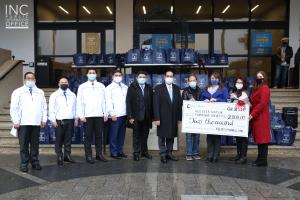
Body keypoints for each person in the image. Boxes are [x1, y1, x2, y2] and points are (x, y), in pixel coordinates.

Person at [10, 72, 47, 172]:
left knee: (35, 144)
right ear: (25, 79)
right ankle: (24, 163)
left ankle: (35, 161)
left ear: (35, 80)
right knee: (24, 145)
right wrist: (16, 121)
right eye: (28, 78)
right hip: (23, 123)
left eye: (32, 78)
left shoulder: (40, 92)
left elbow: (44, 107)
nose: (30, 80)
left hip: (36, 122)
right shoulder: (18, 91)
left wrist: (44, 119)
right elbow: (14, 108)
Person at [77, 69, 107, 164]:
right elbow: (79, 102)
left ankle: (99, 154)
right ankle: (88, 155)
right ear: (87, 75)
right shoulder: (82, 87)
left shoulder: (101, 86)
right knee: (88, 136)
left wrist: (105, 113)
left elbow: (105, 101)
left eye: (93, 73)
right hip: (88, 116)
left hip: (99, 115)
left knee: (99, 136)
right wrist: (81, 115)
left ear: (96, 74)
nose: (92, 74)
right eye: (90, 73)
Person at [153, 70, 182, 163]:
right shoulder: (158, 88)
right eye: (168, 76)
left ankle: (169, 153)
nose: (169, 78)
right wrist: (156, 118)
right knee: (162, 137)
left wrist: (179, 117)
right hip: (162, 117)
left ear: (173, 78)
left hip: (173, 117)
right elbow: (155, 104)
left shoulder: (177, 88)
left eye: (171, 76)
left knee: (171, 136)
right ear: (164, 77)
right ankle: (163, 154)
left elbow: (179, 104)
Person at [199, 72, 228, 163]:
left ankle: (216, 155)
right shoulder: (205, 89)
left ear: (219, 79)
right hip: (208, 116)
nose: (213, 79)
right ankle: (209, 155)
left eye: (216, 78)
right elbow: (200, 100)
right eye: (212, 78)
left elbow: (226, 101)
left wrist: (217, 100)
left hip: (218, 116)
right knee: (209, 137)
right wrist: (205, 100)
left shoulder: (223, 89)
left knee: (217, 136)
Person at [49, 77, 77, 166]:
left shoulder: (72, 95)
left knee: (68, 139)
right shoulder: (54, 95)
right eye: (62, 82)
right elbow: (51, 109)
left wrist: (76, 118)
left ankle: (67, 155)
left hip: (70, 120)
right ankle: (59, 156)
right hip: (59, 121)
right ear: (59, 84)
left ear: (68, 84)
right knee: (59, 140)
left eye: (65, 82)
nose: (64, 83)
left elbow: (75, 108)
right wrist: (53, 120)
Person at [126, 71, 153, 161]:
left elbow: (152, 103)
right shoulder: (132, 88)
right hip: (136, 116)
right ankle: (136, 153)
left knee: (145, 136)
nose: (142, 78)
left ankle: (144, 152)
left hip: (146, 116)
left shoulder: (149, 88)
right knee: (136, 135)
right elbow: (128, 102)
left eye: (143, 77)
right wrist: (130, 116)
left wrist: (152, 116)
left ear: (146, 78)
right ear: (137, 78)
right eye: (140, 77)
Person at [249, 71, 271, 167]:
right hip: (257, 116)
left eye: (261, 77)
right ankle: (260, 158)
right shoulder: (257, 88)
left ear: (264, 78)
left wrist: (252, 114)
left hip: (261, 116)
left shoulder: (265, 88)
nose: (259, 78)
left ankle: (263, 160)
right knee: (259, 138)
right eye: (257, 77)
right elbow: (252, 100)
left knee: (263, 139)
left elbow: (262, 104)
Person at [105, 70, 128, 159]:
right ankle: (113, 152)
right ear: (112, 76)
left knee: (121, 135)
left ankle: (120, 151)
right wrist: (112, 114)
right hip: (115, 116)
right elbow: (108, 102)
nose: (118, 76)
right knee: (114, 135)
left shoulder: (125, 87)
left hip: (124, 114)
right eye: (116, 75)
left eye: (119, 75)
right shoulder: (109, 88)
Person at [229, 77, 249, 164]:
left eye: (240, 82)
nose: (239, 84)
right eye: (237, 82)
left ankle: (243, 156)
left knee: (243, 138)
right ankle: (238, 154)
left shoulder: (246, 93)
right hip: (236, 119)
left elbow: (250, 105)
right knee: (237, 137)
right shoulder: (233, 93)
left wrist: (243, 102)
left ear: (243, 84)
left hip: (244, 119)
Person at [181, 74, 201, 161]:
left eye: (194, 80)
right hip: (188, 117)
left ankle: (195, 153)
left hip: (198, 116)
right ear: (188, 82)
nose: (192, 82)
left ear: (196, 81)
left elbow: (203, 102)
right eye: (190, 80)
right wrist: (189, 101)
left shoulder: (201, 90)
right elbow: (182, 102)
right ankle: (189, 153)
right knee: (189, 136)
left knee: (197, 136)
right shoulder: (185, 91)